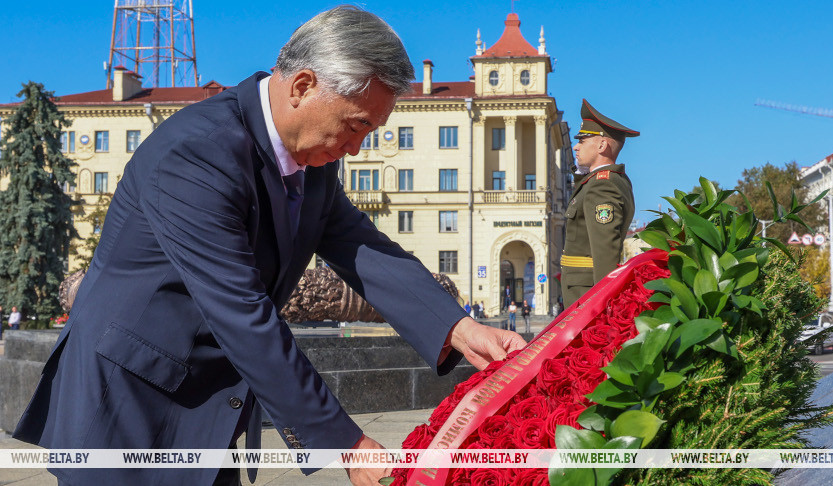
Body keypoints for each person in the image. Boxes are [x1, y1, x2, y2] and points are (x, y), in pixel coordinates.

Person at [13, 7, 525, 486]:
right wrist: (348, 444)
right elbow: (242, 313)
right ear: (303, 85)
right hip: (128, 407)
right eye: (356, 125)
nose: (357, 148)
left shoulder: (311, 159)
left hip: (206, 406)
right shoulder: (198, 153)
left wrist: (460, 328)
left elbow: (361, 246)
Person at [561, 99, 639, 305]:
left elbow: (605, 252)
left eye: (583, 141)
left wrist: (603, 305)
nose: (576, 147)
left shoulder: (602, 186)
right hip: (582, 289)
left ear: (602, 145)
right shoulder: (604, 181)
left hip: (587, 296)